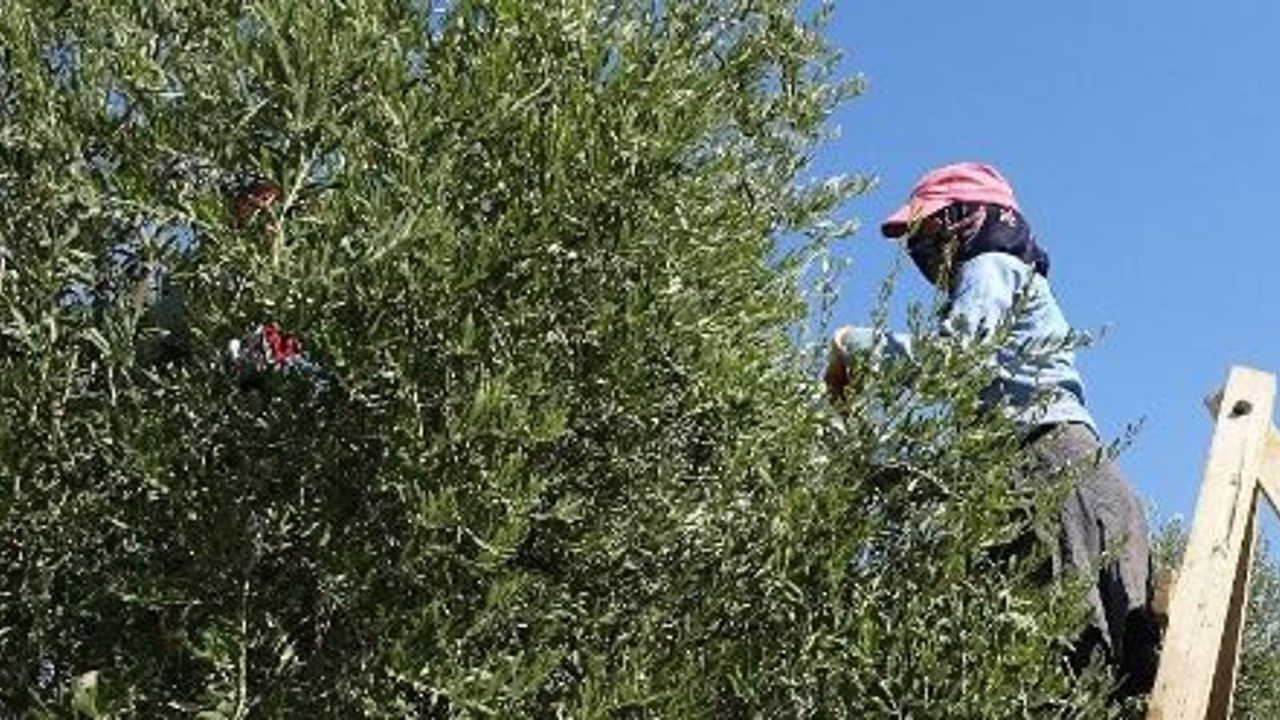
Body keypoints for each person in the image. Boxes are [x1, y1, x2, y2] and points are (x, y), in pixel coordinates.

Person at [826, 162, 1158, 697]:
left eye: (925, 232)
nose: (920, 252)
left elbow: (956, 356)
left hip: (1048, 469)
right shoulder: (1011, 281)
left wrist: (852, 345)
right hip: (1077, 471)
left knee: (1063, 658)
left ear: (966, 218)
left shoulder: (991, 266)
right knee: (1112, 666)